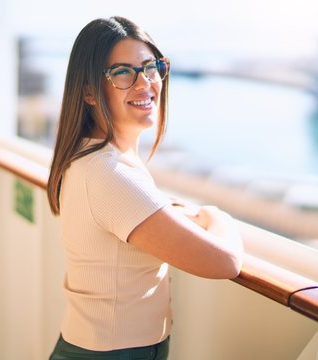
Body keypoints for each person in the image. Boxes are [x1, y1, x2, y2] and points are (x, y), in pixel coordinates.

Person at [47, 16, 244, 360]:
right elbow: (225, 262)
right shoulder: (107, 174)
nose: (145, 83)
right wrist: (215, 215)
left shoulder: (95, 158)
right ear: (89, 92)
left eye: (150, 67)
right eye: (123, 72)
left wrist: (167, 211)